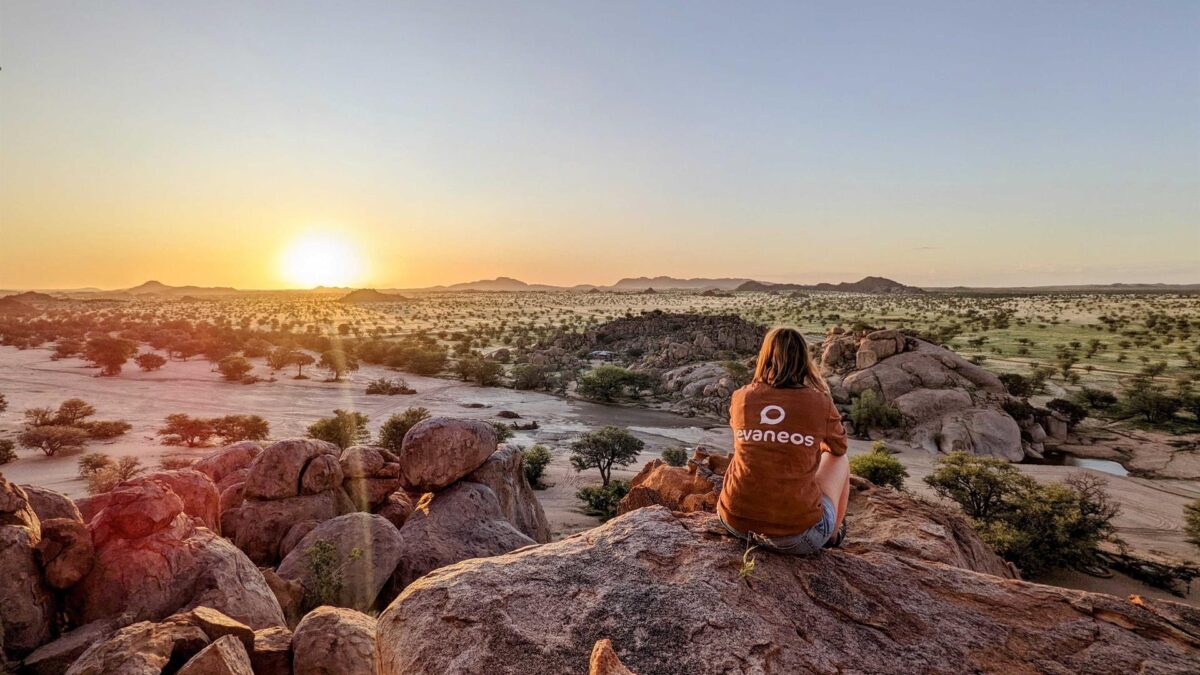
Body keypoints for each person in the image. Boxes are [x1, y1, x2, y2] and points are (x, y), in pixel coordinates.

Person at [717, 326, 850, 554]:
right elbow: (838, 447)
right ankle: (833, 534)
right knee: (841, 460)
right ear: (804, 360)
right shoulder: (820, 402)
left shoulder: (741, 397)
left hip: (735, 522)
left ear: (765, 358)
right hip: (798, 537)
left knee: (748, 452)